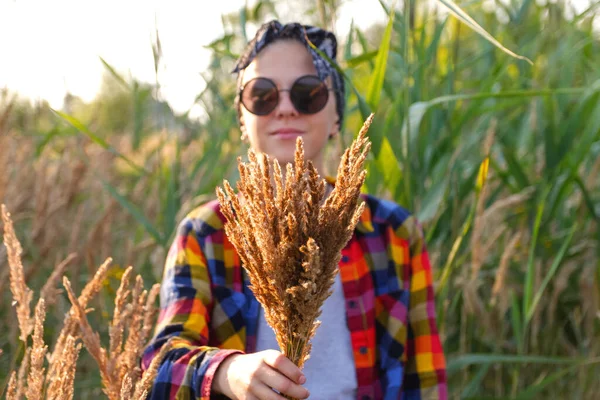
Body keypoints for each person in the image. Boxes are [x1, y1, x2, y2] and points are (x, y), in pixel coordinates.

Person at [142, 20, 448, 400]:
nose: (285, 109)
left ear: (336, 115)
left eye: (308, 93)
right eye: (262, 95)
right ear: (242, 118)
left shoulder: (393, 232)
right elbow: (160, 364)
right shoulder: (208, 232)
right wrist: (227, 371)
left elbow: (425, 381)